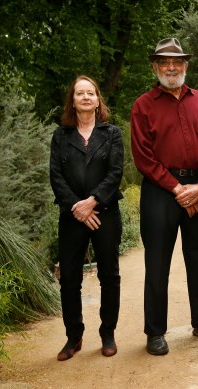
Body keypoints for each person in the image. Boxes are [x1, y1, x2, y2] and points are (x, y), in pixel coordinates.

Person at [130, 37, 198, 356]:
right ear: (155, 67)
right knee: (157, 261)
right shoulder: (143, 105)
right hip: (162, 191)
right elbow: (143, 156)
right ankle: (155, 331)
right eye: (164, 62)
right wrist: (177, 189)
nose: (171, 67)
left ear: (185, 66)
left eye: (176, 62)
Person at [50, 75, 124, 360]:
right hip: (71, 216)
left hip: (105, 212)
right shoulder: (61, 136)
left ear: (97, 100)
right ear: (73, 100)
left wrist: (92, 203)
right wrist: (77, 208)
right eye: (79, 93)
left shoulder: (112, 134)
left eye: (90, 93)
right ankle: (73, 336)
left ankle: (108, 333)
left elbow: (115, 173)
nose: (85, 97)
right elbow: (55, 177)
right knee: (69, 277)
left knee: (110, 274)